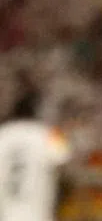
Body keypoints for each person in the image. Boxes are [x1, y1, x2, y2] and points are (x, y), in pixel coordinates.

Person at [0, 90, 70, 221]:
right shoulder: (47, 133)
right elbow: (63, 155)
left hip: (5, 211)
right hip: (38, 210)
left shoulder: (3, 132)